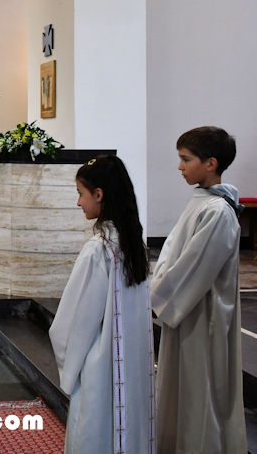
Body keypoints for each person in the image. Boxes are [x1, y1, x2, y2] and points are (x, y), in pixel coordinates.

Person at [48, 156, 154, 453]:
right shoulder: (134, 245)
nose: (79, 202)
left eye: (81, 194)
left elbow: (72, 323)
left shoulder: (97, 250)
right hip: (130, 367)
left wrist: (68, 368)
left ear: (99, 195)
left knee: (95, 431)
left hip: (99, 369)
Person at [150, 127, 246, 453]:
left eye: (185, 159)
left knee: (200, 391)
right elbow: (172, 252)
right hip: (186, 309)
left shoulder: (218, 212)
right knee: (183, 391)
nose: (180, 167)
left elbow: (195, 267)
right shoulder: (201, 202)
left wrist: (156, 295)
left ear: (210, 163)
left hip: (202, 316)